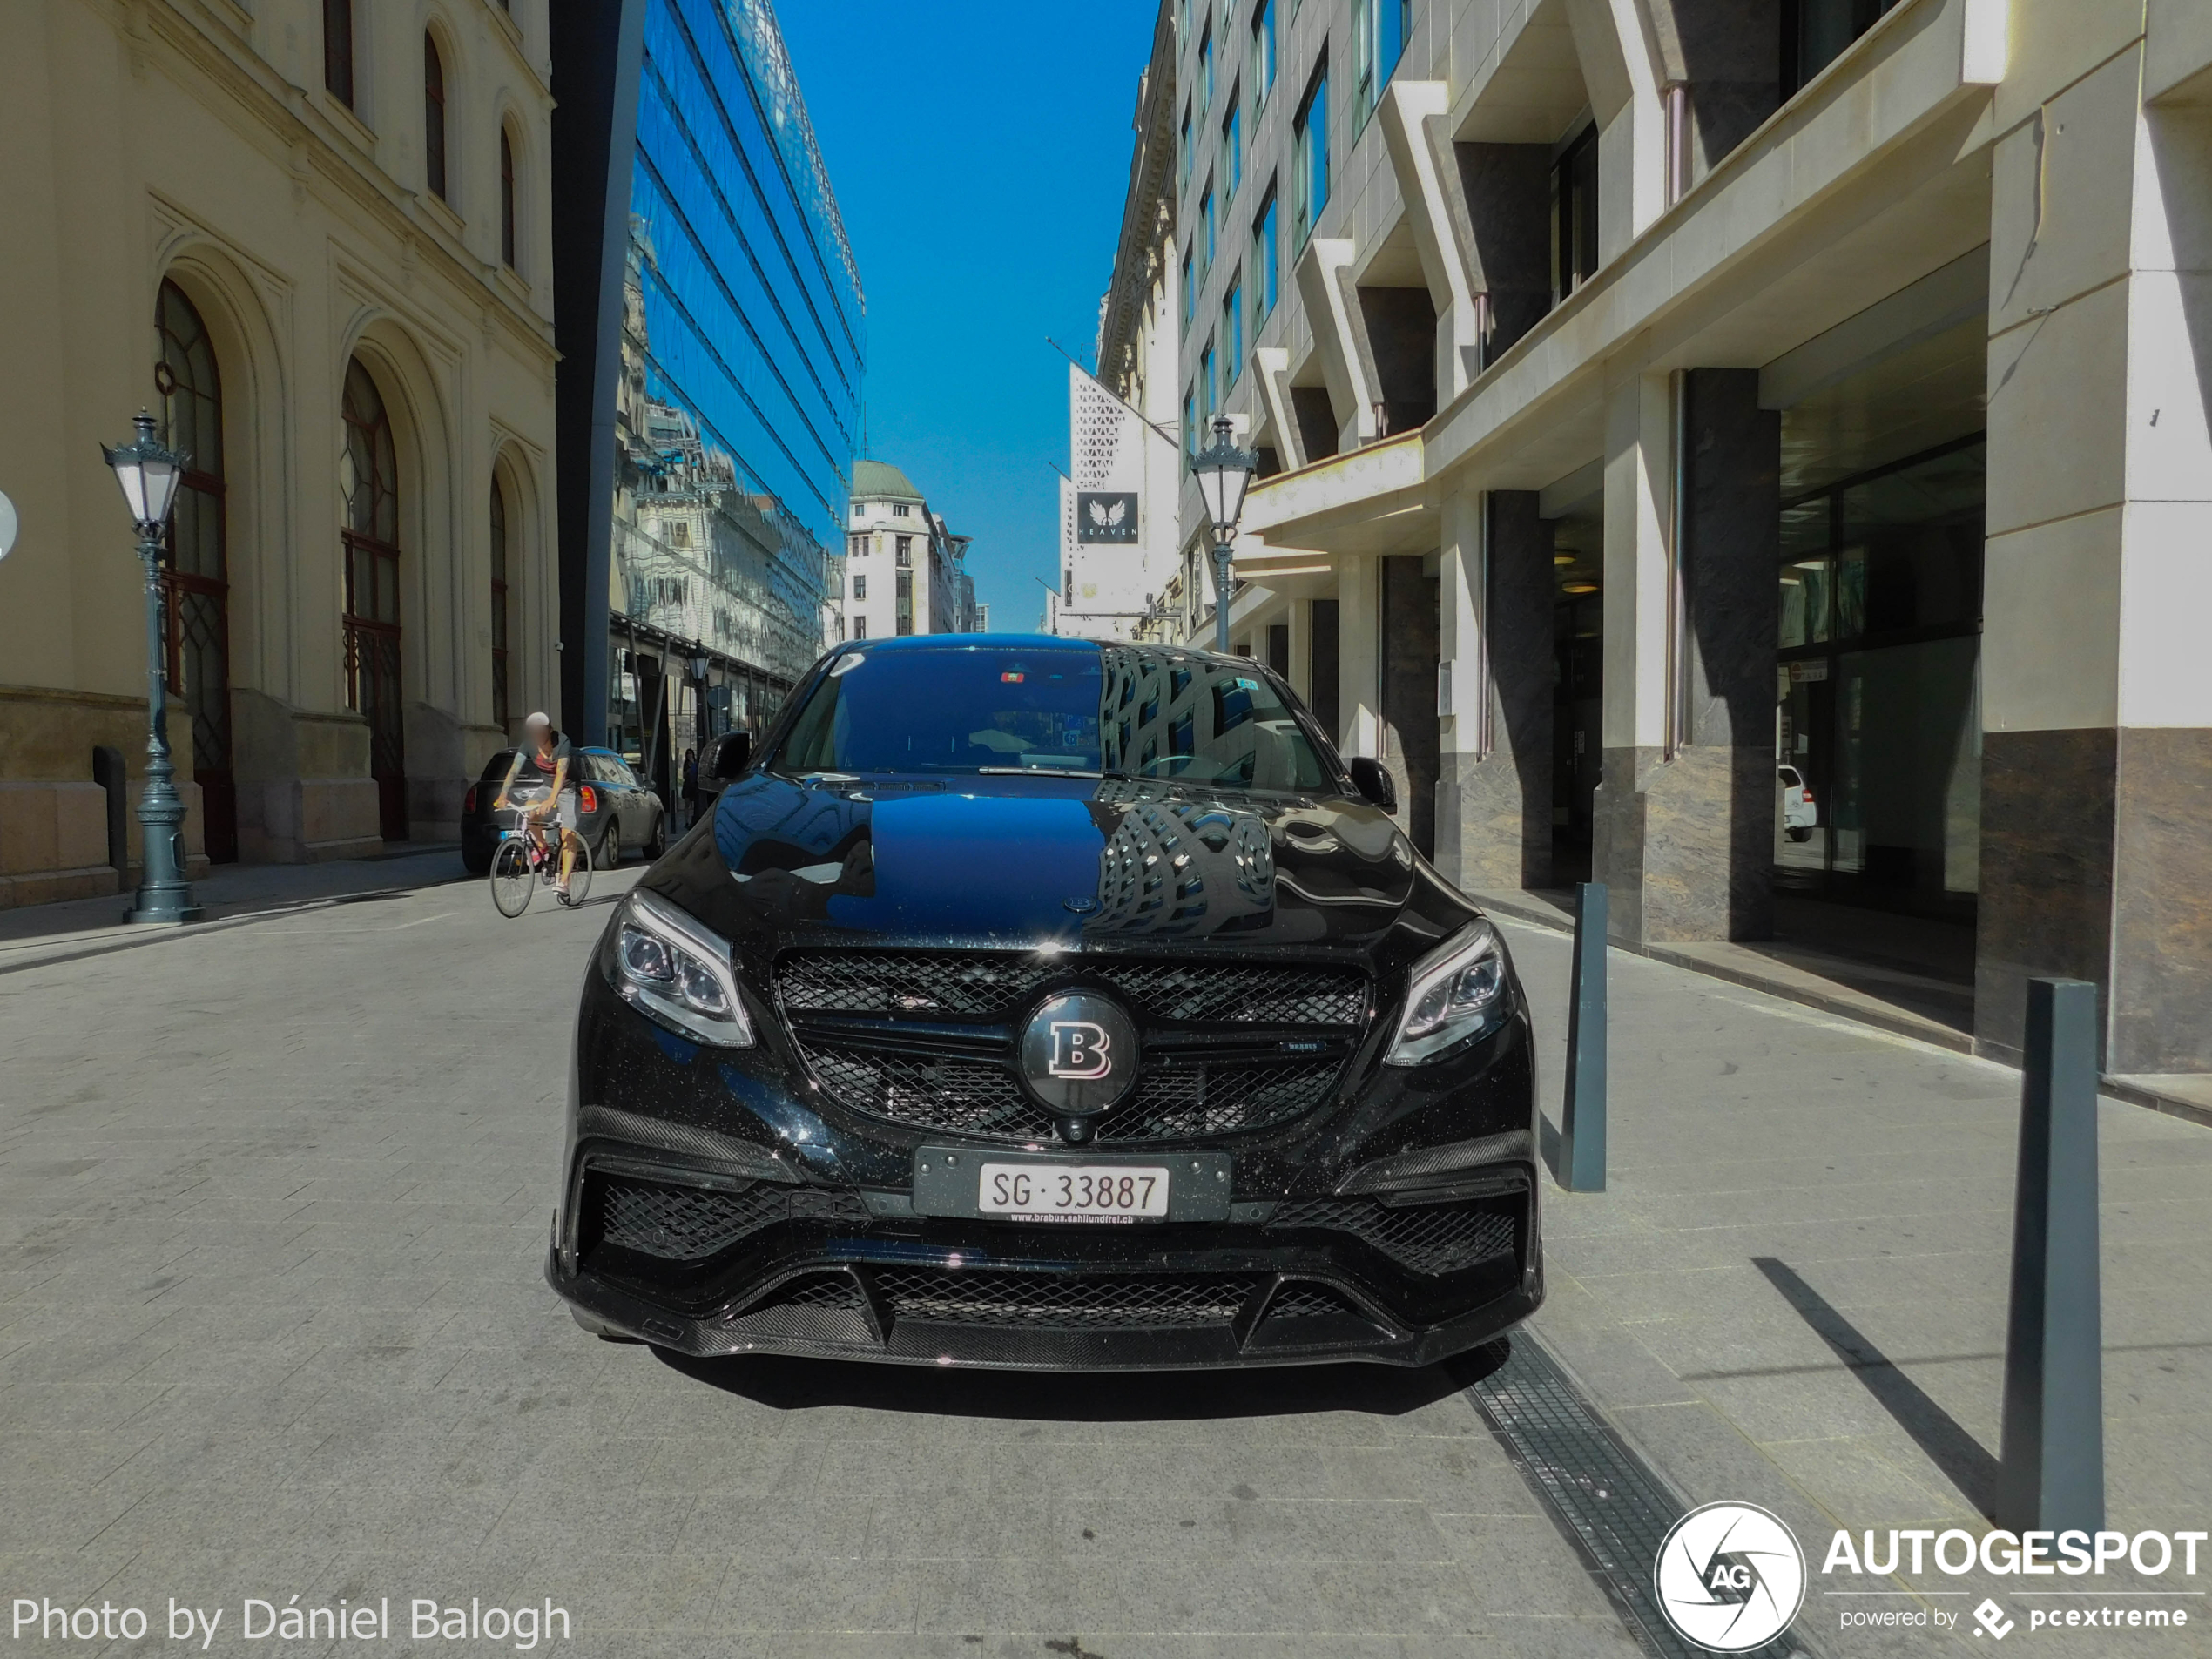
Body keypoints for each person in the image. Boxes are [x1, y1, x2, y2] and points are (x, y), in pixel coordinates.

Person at [494, 712, 581, 899]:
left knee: (568, 834)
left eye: (541, 731)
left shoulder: (562, 743)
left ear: (549, 730)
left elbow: (561, 775)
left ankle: (564, 882)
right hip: (546, 787)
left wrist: (551, 801)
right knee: (530, 811)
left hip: (568, 788)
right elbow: (514, 770)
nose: (537, 735)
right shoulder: (528, 745)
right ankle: (542, 846)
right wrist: (502, 795)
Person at [681, 747, 698, 830]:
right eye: (688, 753)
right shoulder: (686, 763)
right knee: (687, 804)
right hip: (687, 785)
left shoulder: (695, 762)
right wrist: (688, 771)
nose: (689, 755)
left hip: (694, 785)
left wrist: (692, 763)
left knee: (696, 804)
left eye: (690, 753)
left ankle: (694, 820)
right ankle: (686, 821)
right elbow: (684, 775)